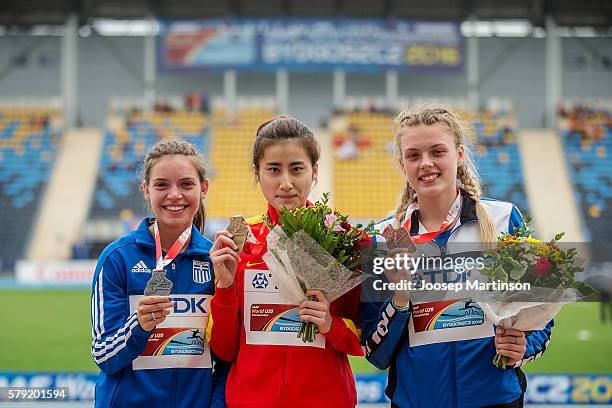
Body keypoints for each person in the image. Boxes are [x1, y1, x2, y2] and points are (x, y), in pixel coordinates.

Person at [360, 105, 554, 407]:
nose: (426, 163)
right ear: (402, 164)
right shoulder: (384, 237)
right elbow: (375, 353)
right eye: (413, 155)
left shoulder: (504, 220)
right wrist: (399, 301)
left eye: (437, 151)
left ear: (459, 155)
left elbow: (542, 315)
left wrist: (524, 345)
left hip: (495, 400)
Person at [208, 116, 363, 408]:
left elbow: (363, 339)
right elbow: (225, 350)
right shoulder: (238, 242)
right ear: (257, 173)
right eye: (273, 170)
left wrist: (331, 325)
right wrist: (226, 286)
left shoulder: (343, 239)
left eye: (296, 169)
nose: (286, 183)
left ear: (314, 172)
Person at [91, 139, 228, 408]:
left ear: (204, 189)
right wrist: (138, 325)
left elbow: (226, 358)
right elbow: (103, 354)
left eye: (186, 184)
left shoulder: (216, 261)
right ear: (146, 190)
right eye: (162, 185)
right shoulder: (117, 258)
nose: (174, 194)